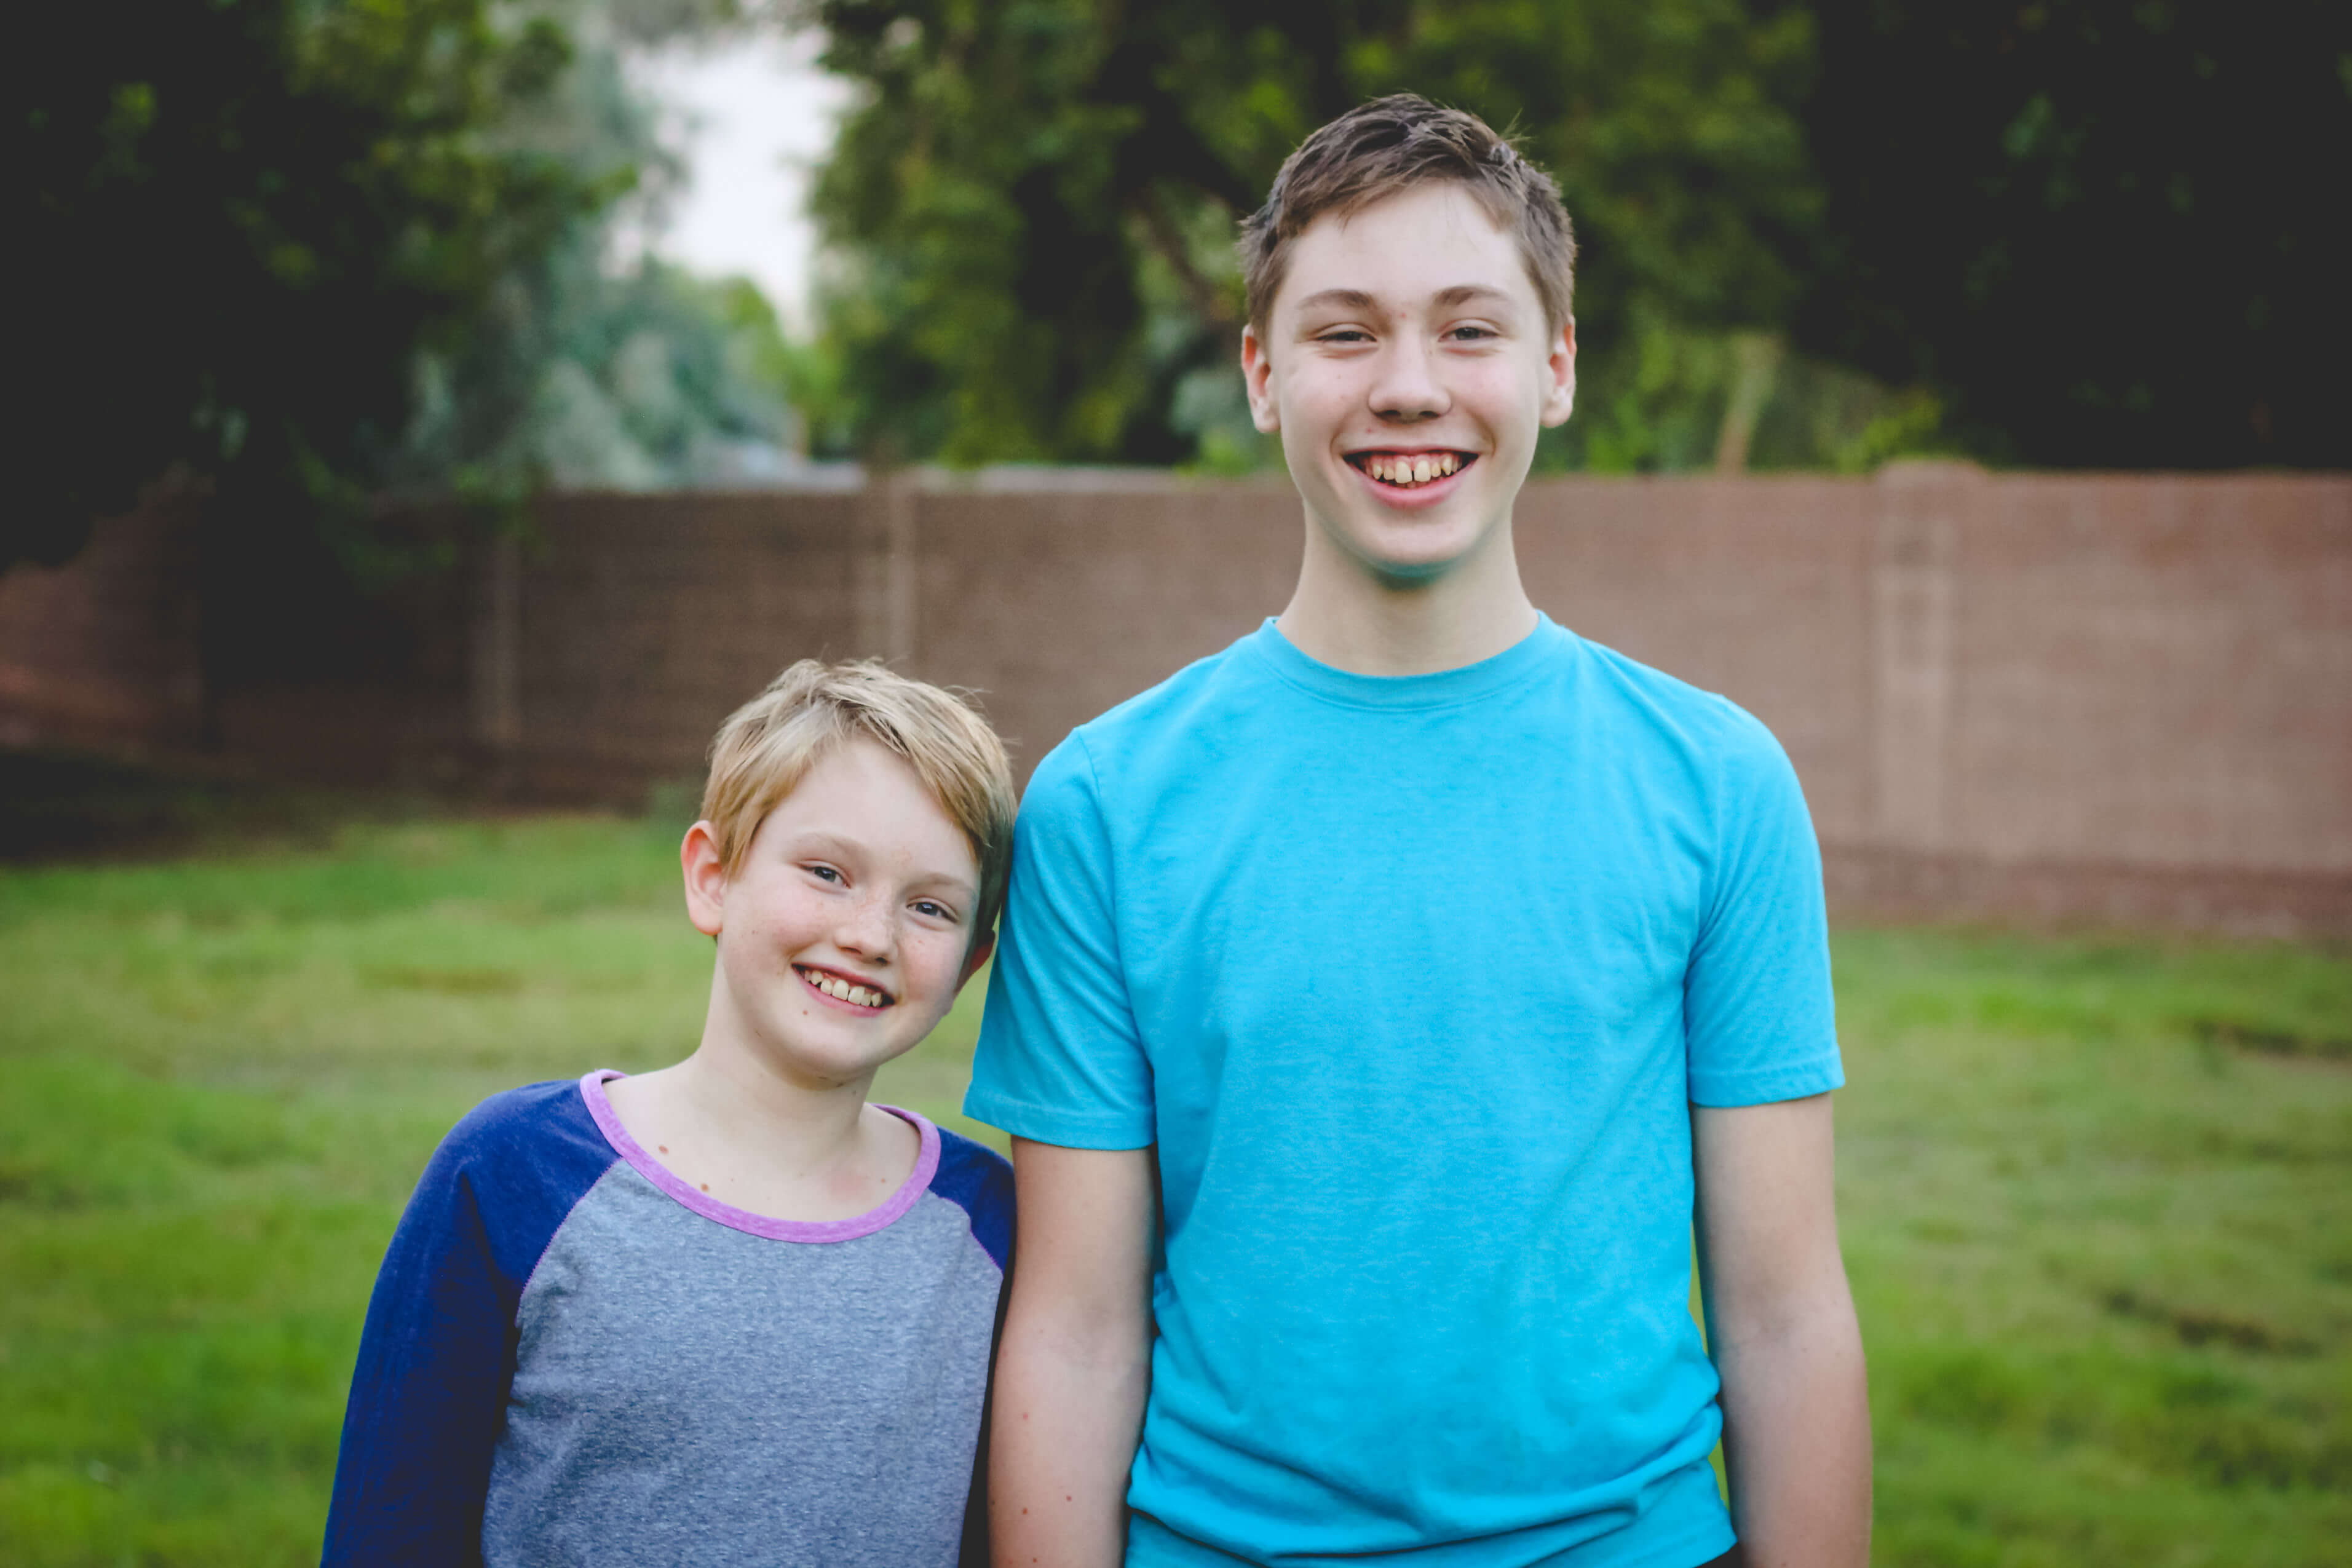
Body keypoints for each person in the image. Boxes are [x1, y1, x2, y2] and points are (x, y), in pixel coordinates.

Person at [967, 95, 1871, 1568]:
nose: (1406, 388)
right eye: (1343, 333)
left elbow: (1781, 1311)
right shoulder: (1102, 805)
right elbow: (1071, 1330)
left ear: (1554, 367)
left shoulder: (1716, 784)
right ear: (1259, 375)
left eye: (1467, 329)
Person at [321, 660, 1018, 1567]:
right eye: (826, 871)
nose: (870, 935)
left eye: (929, 905)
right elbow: (393, 1526)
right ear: (712, 877)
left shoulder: (988, 1223)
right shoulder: (512, 1174)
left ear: (969, 964)